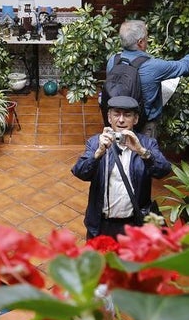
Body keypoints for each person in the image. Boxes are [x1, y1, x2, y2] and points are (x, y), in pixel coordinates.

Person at [72, 95, 171, 239]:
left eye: (127, 115)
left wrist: (141, 151)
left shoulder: (147, 143)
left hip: (134, 225)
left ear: (135, 119)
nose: (121, 120)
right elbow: (80, 172)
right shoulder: (95, 142)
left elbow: (163, 170)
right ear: (109, 117)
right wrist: (98, 154)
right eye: (116, 114)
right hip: (101, 225)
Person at [106, 19, 189, 137]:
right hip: (144, 127)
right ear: (140, 42)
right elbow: (183, 66)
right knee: (145, 149)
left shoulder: (113, 60)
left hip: (117, 123)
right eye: (146, 37)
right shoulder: (153, 66)